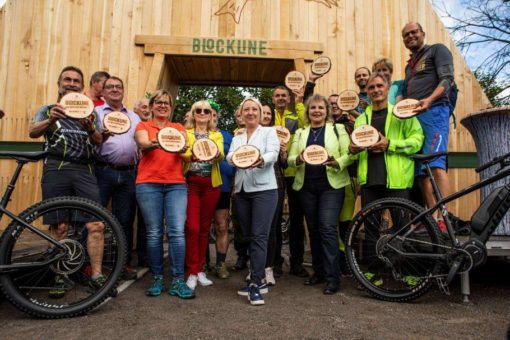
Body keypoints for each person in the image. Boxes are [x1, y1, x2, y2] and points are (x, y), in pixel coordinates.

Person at [28, 65, 107, 295]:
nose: (71, 84)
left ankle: (97, 275)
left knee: (97, 224)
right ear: (59, 84)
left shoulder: (89, 110)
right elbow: (32, 132)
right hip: (56, 167)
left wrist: (91, 128)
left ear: (82, 86)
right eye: (67, 80)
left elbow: (99, 140)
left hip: (85, 170)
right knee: (59, 226)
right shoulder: (48, 109)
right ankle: (60, 277)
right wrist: (50, 120)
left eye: (76, 81)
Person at [288, 94, 352, 294]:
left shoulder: (338, 129)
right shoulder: (300, 132)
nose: (316, 111)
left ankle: (333, 277)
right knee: (313, 230)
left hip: (331, 186)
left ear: (327, 111)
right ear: (308, 112)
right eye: (313, 108)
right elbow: (289, 159)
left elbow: (350, 153)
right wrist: (298, 159)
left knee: (327, 228)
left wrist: (338, 162)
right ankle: (319, 272)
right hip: (306, 187)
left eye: (320, 108)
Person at [134, 89, 194, 299]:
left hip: (176, 184)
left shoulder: (178, 128)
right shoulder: (143, 126)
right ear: (151, 107)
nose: (162, 106)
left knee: (177, 232)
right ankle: (157, 277)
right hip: (148, 183)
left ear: (170, 107)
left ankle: (178, 280)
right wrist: (160, 142)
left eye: (166, 103)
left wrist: (183, 149)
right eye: (158, 102)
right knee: (154, 233)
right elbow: (143, 144)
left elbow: (187, 157)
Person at [399, 22, 454, 231]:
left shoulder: (437, 50)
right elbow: (405, 91)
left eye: (414, 32)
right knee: (422, 170)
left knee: (436, 163)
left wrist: (430, 100)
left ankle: (444, 215)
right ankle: (432, 218)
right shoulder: (409, 65)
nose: (410, 36)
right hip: (414, 117)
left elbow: (447, 79)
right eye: (406, 35)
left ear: (423, 33)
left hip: (434, 111)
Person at [227, 97, 279, 306]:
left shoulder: (269, 132)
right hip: (242, 191)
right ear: (241, 114)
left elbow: (273, 153)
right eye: (246, 109)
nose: (250, 112)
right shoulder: (238, 136)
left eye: (253, 109)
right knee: (249, 236)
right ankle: (258, 277)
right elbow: (230, 156)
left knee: (259, 236)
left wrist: (260, 160)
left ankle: (256, 283)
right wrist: (238, 158)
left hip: (264, 190)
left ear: (259, 113)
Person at [349, 73, 424, 207]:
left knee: (402, 227)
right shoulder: (360, 120)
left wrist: (390, 144)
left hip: (398, 181)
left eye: (380, 86)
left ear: (388, 88)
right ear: (367, 91)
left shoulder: (402, 113)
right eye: (371, 87)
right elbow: (356, 152)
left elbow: (417, 142)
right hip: (369, 182)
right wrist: (352, 150)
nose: (376, 90)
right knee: (370, 228)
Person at [94, 76, 140, 280]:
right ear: (102, 92)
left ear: (123, 90)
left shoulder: (134, 116)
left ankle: (122, 265)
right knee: (95, 218)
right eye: (110, 87)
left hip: (129, 173)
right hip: (102, 171)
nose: (114, 90)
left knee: (125, 220)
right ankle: (90, 266)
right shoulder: (95, 113)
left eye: (118, 87)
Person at [182, 100, 224, 290]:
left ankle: (199, 270)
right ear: (192, 114)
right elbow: (181, 153)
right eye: (197, 110)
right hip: (191, 183)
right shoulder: (185, 132)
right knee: (192, 227)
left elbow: (221, 154)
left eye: (206, 110)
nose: (201, 112)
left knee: (204, 229)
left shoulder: (216, 135)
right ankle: (191, 271)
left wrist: (214, 154)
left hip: (210, 185)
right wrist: (192, 154)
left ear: (210, 114)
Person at [271, 85, 309, 278]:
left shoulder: (296, 117)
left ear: (289, 98)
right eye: (277, 95)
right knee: (275, 219)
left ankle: (297, 263)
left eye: (284, 95)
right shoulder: (268, 119)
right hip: (273, 174)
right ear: (272, 98)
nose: (280, 98)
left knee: (296, 219)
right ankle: (275, 263)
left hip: (294, 171)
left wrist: (300, 102)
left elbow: (307, 124)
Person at [260, 102, 286, 284]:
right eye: (264, 113)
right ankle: (257, 266)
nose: (267, 116)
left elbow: (284, 164)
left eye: (270, 113)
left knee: (272, 228)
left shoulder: (277, 135)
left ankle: (271, 266)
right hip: (254, 185)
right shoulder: (249, 134)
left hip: (275, 183)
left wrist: (283, 153)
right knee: (257, 229)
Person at [210, 100, 235, 279]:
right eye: (205, 112)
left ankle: (220, 264)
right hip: (200, 186)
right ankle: (201, 264)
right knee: (201, 227)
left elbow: (236, 160)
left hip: (223, 186)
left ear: (217, 116)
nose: (209, 116)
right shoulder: (194, 134)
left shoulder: (228, 136)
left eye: (213, 112)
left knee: (222, 226)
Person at [133, 97, 151, 267]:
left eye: (148, 107)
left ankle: (144, 256)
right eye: (143, 107)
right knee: (126, 217)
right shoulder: (131, 122)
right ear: (136, 109)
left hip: (147, 175)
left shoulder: (153, 126)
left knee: (146, 218)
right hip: (129, 171)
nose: (146, 110)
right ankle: (125, 258)